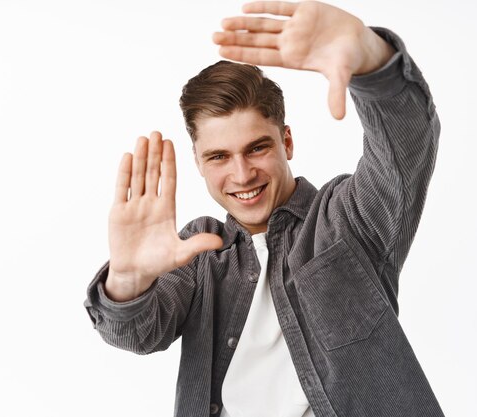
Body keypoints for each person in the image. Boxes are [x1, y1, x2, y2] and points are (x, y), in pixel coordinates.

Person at [84, 1, 444, 416]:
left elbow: (407, 145)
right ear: (199, 162)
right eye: (219, 156)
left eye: (257, 148)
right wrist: (128, 280)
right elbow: (138, 334)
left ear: (286, 142)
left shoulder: (345, 221)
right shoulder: (200, 252)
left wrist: (372, 62)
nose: (241, 174)